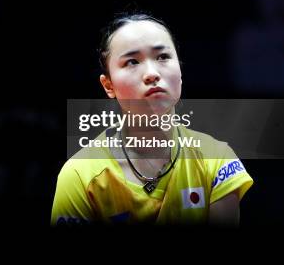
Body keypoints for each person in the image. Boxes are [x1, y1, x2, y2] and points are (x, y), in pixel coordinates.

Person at [52, 13, 252, 225]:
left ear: (180, 71)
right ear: (108, 85)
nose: (151, 73)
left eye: (163, 57)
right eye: (132, 62)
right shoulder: (80, 174)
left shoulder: (217, 159)